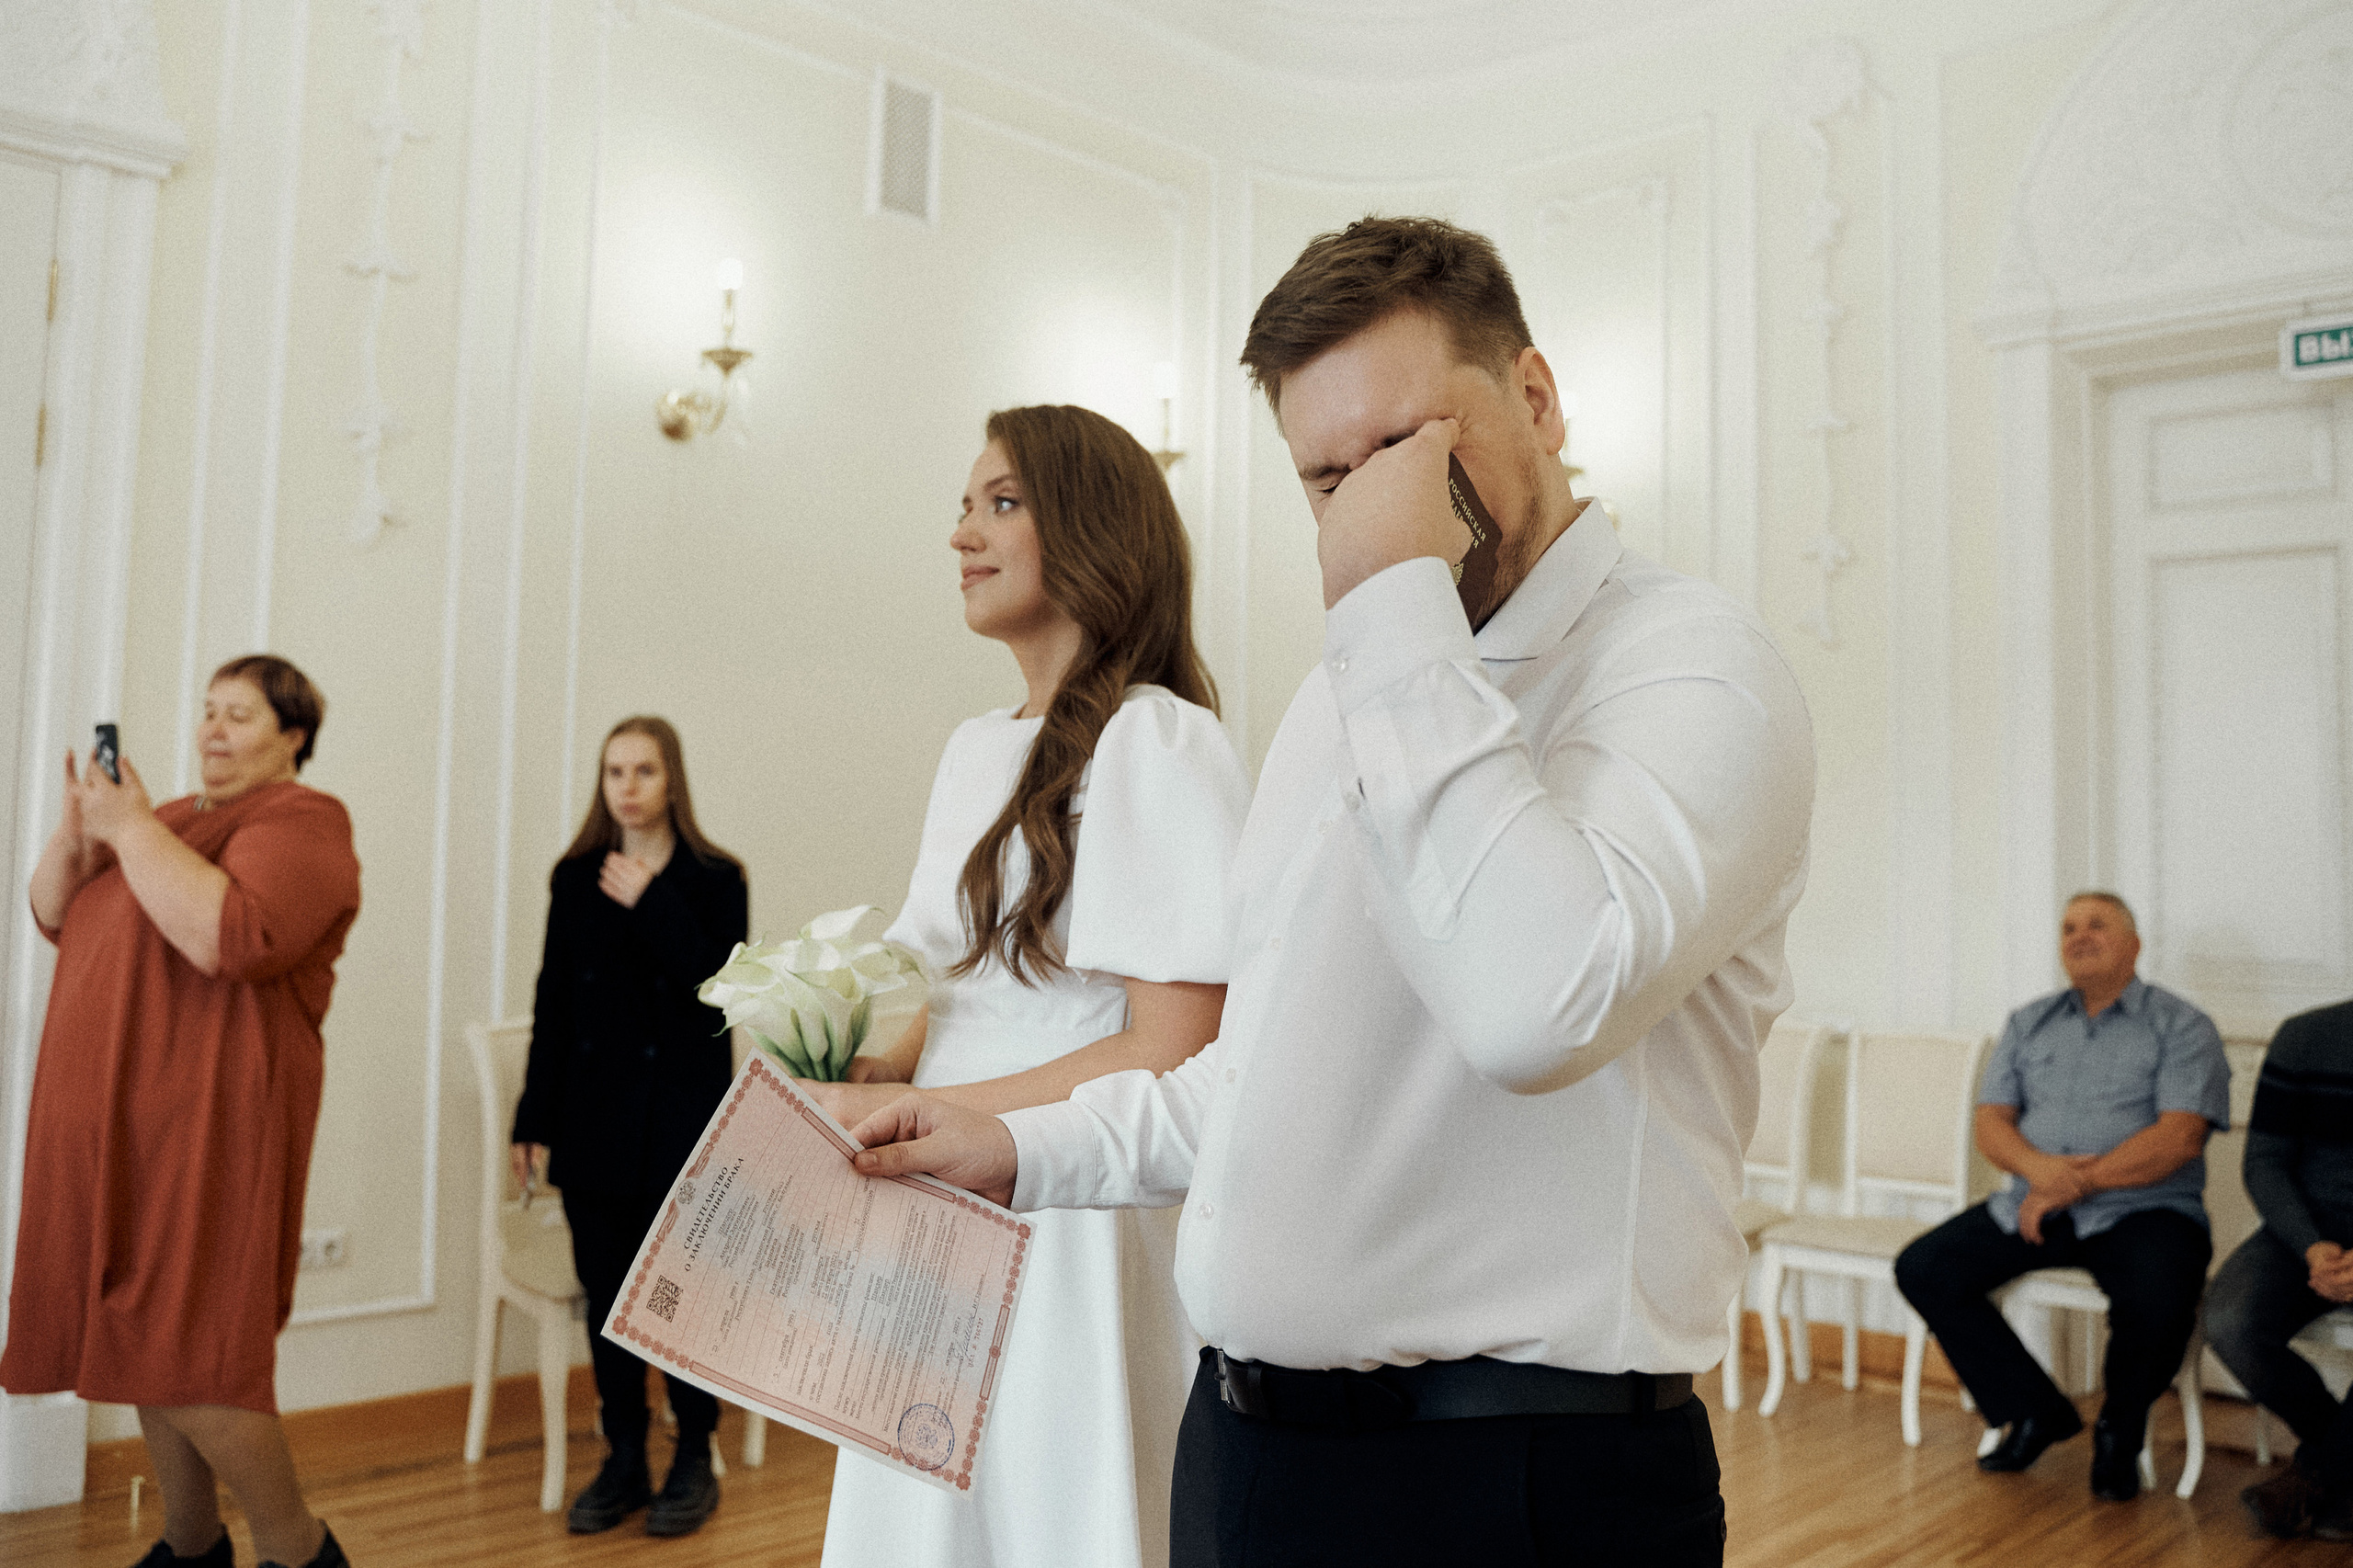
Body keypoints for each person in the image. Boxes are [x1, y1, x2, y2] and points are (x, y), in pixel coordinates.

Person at [843, 218, 1815, 1566]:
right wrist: (1016, 1147)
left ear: (1533, 396)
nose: (1367, 504)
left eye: (1406, 450)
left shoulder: (1692, 670)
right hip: (1249, 1449)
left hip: (1510, 1476)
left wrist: (1389, 601)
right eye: (1326, 478)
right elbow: (1254, 1078)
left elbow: (1536, 1004)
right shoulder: (1337, 702)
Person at [815, 403, 1249, 1568]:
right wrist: (839, 1050)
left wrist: (967, 1118)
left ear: (1097, 530)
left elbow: (1175, 1048)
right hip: (936, 1190)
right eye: (963, 504)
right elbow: (927, 981)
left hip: (1070, 1208)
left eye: (1001, 502)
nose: (963, 530)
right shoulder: (973, 747)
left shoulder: (1157, 743)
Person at [3, 655, 361, 1568]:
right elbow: (52, 910)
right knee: (136, 1334)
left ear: (294, 737)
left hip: (211, 1131)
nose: (212, 729)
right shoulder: (163, 823)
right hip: (125, 1129)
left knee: (196, 1349)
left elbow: (230, 936)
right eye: (206, 710)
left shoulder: (305, 820)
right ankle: (191, 1541)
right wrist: (84, 835)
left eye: (239, 715)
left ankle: (299, 1549)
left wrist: (129, 832)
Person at [1894, 892, 2231, 1502]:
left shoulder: (2183, 1026)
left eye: (2097, 925)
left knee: (2159, 1297)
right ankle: (2033, 1412)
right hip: (2034, 1202)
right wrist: (2038, 1172)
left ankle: (2119, 1432)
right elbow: (1991, 1121)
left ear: (2134, 944)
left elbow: (2180, 1136)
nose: (2079, 936)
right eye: (2069, 927)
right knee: (1925, 1267)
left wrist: (2071, 1182)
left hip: (2144, 1208)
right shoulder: (2030, 1022)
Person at [508, 717, 746, 1538]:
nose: (629, 786)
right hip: (592, 1122)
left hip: (682, 1125)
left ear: (671, 780)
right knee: (609, 1303)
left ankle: (693, 1456)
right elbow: (554, 1001)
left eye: (644, 770)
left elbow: (720, 987)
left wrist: (652, 903)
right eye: (615, 771)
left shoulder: (717, 878)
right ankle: (622, 1459)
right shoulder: (575, 877)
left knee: (678, 1302)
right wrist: (532, 1119)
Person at [2207, 997, 2353, 1540]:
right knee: (2229, 1320)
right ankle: (2342, 1464)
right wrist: (2312, 1246)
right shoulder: (2305, 1036)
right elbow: (2264, 1161)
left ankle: (2316, 1476)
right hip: (2306, 1229)